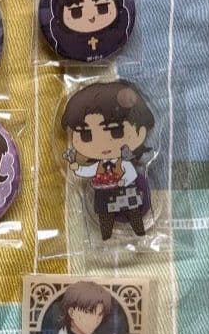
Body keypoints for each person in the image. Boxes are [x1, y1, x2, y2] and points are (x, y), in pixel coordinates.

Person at [61, 80, 155, 240]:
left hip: (125, 191)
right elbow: (88, 171)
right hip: (103, 193)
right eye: (86, 134)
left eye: (116, 131)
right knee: (105, 216)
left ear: (140, 132)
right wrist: (77, 167)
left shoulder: (124, 162)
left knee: (133, 212)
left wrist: (124, 181)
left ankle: (139, 230)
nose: (102, 142)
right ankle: (106, 235)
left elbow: (131, 173)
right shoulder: (98, 165)